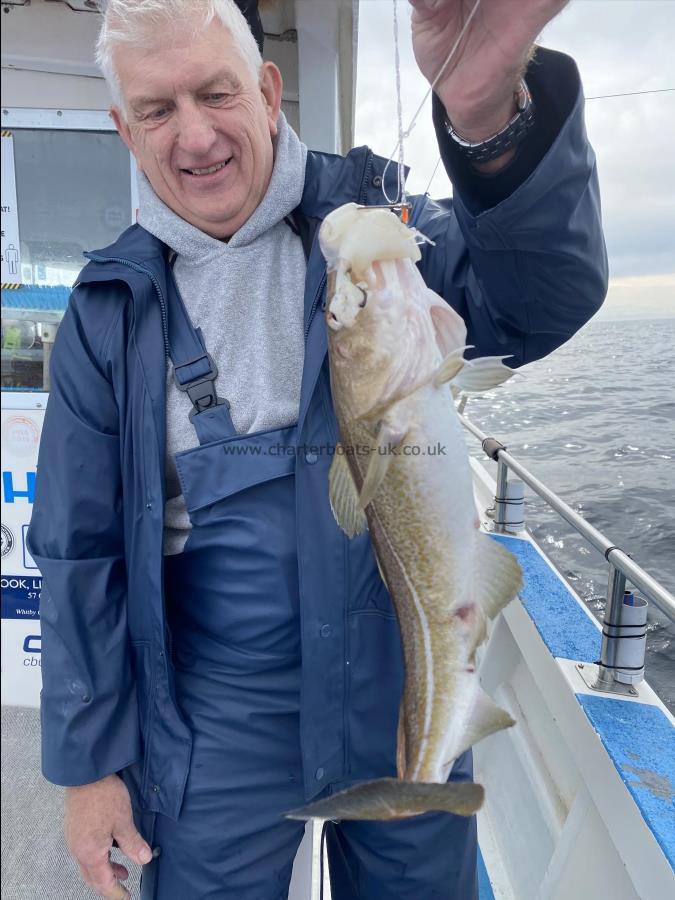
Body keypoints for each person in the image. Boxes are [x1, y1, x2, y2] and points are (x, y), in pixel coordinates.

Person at [27, 1, 607, 898]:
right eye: (156, 109)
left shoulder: (376, 227)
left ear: (266, 91)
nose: (195, 135)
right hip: (215, 710)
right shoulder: (109, 310)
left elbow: (542, 296)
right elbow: (78, 553)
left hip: (397, 676)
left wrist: (491, 121)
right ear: (122, 128)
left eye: (216, 93)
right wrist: (87, 769)